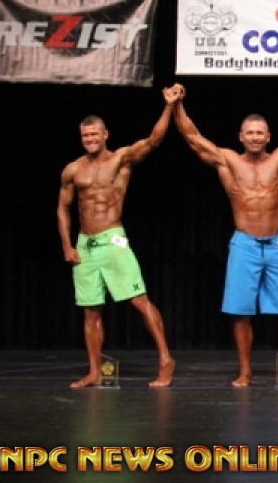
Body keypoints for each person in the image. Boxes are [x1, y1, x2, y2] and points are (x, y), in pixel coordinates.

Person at [171, 83, 278, 387]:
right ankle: (245, 371)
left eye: (260, 133)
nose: (255, 137)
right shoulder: (228, 160)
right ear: (241, 136)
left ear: (268, 136)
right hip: (244, 244)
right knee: (241, 313)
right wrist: (176, 105)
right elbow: (193, 138)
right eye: (250, 133)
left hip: (276, 245)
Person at [57, 87, 180, 388]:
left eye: (94, 134)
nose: (90, 139)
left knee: (139, 300)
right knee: (91, 311)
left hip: (113, 239)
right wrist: (67, 245)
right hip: (85, 245)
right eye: (85, 135)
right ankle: (94, 371)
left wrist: (168, 107)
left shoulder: (121, 160)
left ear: (105, 135)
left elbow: (152, 140)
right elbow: (62, 208)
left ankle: (165, 359)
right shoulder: (73, 170)